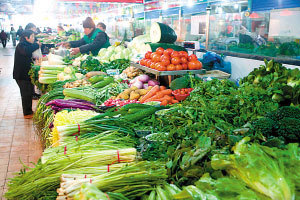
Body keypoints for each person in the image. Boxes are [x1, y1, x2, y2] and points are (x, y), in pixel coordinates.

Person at [13, 30, 41, 119]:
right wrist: (37, 45)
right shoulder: (21, 45)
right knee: (25, 94)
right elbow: (26, 51)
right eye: (32, 37)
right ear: (26, 38)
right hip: (21, 75)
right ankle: (27, 113)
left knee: (29, 93)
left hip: (26, 74)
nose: (33, 38)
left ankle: (29, 111)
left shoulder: (26, 44)